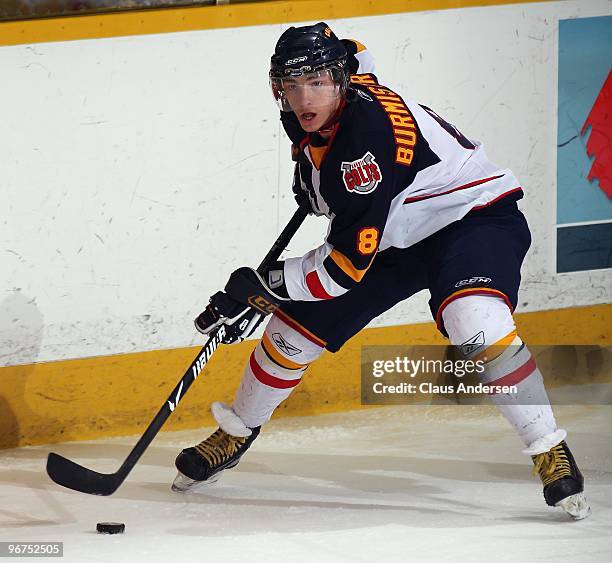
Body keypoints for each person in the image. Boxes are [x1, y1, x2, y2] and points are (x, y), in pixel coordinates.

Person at [173, 22, 590, 520]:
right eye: (292, 84)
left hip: (470, 218)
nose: (305, 98)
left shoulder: (361, 153)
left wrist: (266, 284)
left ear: (340, 81)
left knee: (475, 323)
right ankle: (236, 433)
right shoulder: (351, 76)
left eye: (317, 83)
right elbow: (359, 51)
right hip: (393, 232)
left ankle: (548, 447)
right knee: (293, 331)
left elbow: (342, 271)